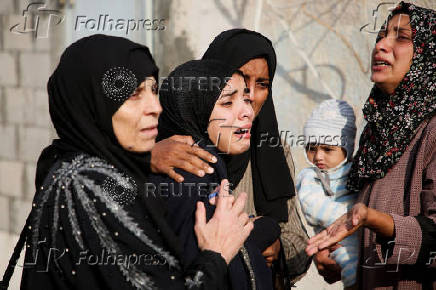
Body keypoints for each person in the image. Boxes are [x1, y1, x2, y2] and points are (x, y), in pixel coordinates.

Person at [0, 34, 254, 290]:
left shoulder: (73, 169)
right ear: (95, 101)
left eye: (153, 90)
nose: (155, 107)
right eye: (133, 94)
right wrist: (216, 254)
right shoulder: (89, 184)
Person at [150, 29, 311, 285]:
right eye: (229, 98)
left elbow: (299, 244)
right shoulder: (172, 157)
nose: (250, 100)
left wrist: (277, 246)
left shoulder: (272, 150)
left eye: (262, 85)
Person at [306, 2, 436, 289]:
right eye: (380, 36)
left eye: (401, 37)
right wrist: (345, 255)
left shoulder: (432, 131)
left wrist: (371, 219)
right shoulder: (377, 132)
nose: (381, 45)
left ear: (428, 55)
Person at [149, 59, 278, 290]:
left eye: (247, 99)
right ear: (193, 109)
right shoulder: (190, 176)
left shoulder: (209, 173)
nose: (248, 112)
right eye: (227, 103)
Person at [296, 99, 358, 288]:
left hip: (363, 236)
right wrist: (353, 216)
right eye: (311, 148)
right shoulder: (310, 175)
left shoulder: (356, 171)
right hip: (335, 242)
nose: (318, 156)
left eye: (328, 149)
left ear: (345, 149)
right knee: (352, 269)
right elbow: (312, 206)